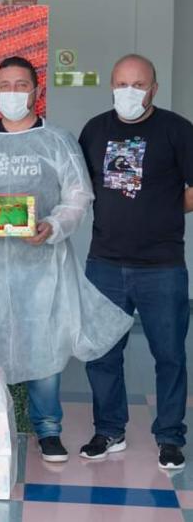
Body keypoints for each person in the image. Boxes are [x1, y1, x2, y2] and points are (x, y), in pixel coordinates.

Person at [0, 56, 133, 463]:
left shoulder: (57, 141)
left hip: (42, 267)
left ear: (36, 90)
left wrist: (53, 226)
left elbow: (78, 196)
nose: (12, 93)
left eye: (20, 85)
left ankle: (48, 431)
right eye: (4, 85)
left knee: (43, 346)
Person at [79, 54, 193, 469]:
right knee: (102, 354)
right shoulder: (94, 130)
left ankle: (170, 437)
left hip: (162, 266)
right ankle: (109, 430)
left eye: (139, 84)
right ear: (111, 86)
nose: (130, 91)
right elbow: (82, 187)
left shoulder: (177, 130)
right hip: (104, 264)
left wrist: (161, 208)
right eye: (122, 83)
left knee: (170, 355)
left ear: (154, 89)